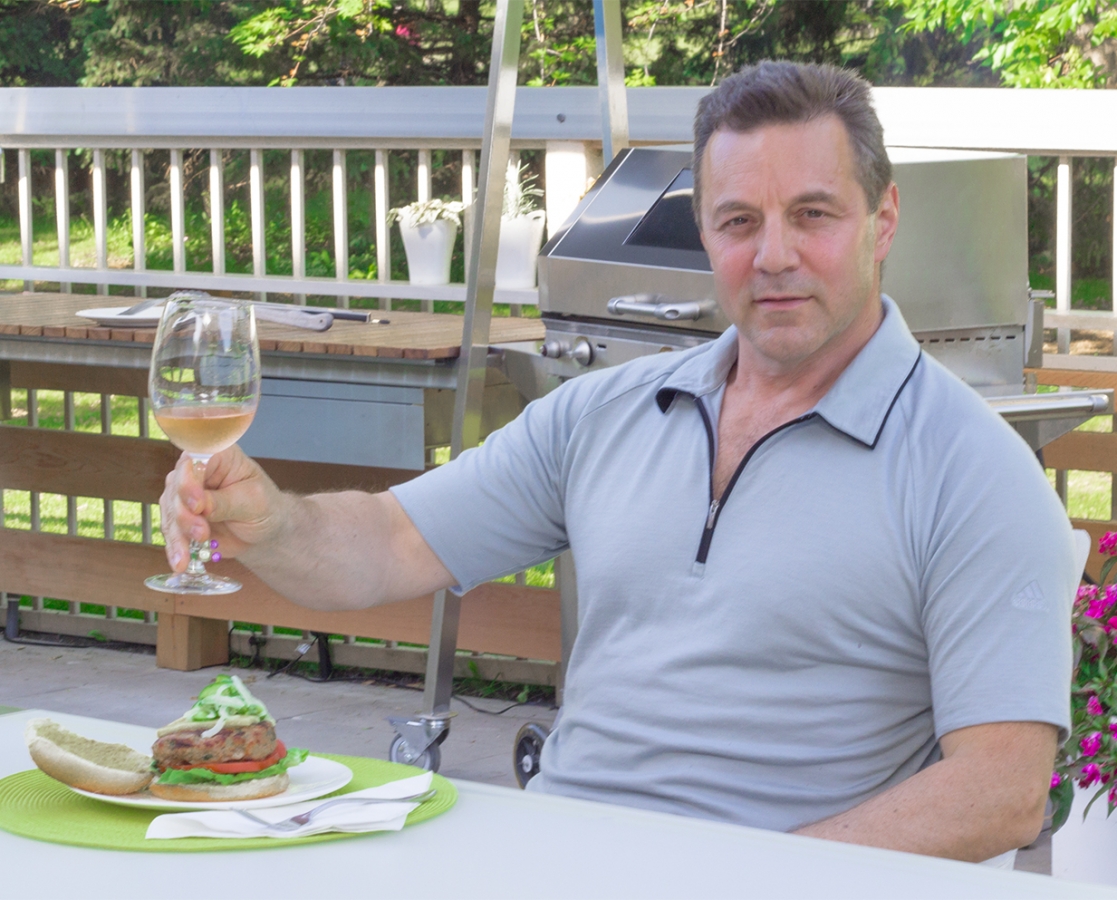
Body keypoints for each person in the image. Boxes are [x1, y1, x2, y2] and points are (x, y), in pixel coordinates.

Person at [160, 61, 1077, 863]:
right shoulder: (609, 410)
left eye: (812, 215)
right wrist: (273, 523)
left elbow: (1000, 788)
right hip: (554, 858)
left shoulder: (970, 472)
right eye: (736, 221)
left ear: (881, 221)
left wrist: (757, 877)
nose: (772, 256)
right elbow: (392, 542)